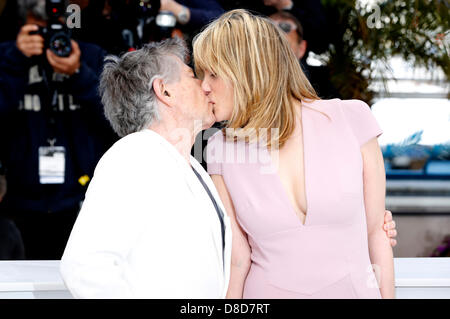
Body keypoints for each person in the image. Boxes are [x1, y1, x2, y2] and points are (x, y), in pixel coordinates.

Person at [193, 9, 396, 298]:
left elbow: (377, 233)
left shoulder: (352, 119)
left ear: (249, 69)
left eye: (213, 73)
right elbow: (238, 259)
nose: (205, 86)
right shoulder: (218, 147)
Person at [60, 38, 232, 298]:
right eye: (192, 76)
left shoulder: (189, 165)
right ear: (164, 91)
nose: (205, 86)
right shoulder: (134, 157)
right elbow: (85, 266)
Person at [0, 0, 116, 260]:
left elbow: (116, 122)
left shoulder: (91, 56)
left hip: (81, 202)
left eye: (54, 30)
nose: (49, 39)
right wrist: (16, 63)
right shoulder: (7, 57)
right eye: (38, 31)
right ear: (23, 25)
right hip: (18, 201)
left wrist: (78, 74)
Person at [269, 10, 340, 99]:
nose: (275, 52)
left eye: (284, 46)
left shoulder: (322, 86)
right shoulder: (249, 82)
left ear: (301, 48)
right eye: (268, 45)